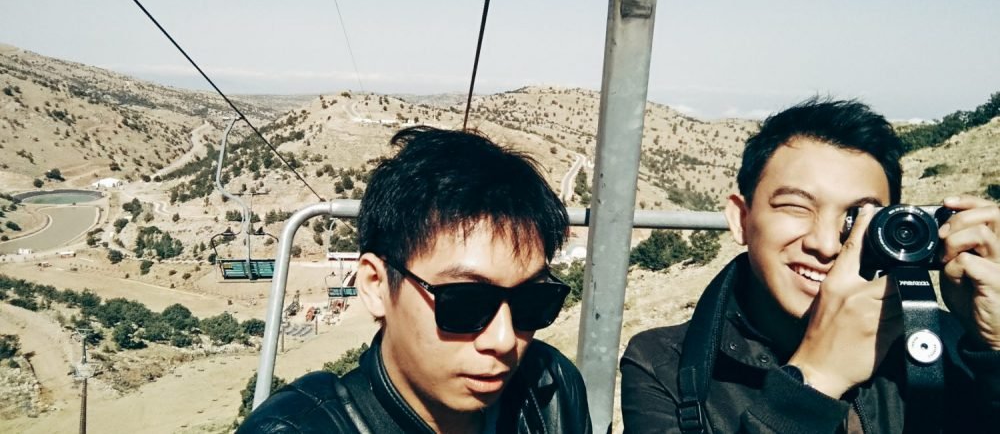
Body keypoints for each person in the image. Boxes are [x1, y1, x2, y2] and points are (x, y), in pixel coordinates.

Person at [620, 97, 1000, 433]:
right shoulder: (666, 364)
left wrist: (994, 346)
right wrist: (815, 380)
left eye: (857, 217)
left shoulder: (946, 343)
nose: (825, 243)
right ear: (741, 219)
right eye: (795, 207)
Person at [239, 126, 592, 433]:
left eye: (532, 302)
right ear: (375, 285)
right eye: (466, 302)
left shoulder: (551, 388)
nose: (503, 341)